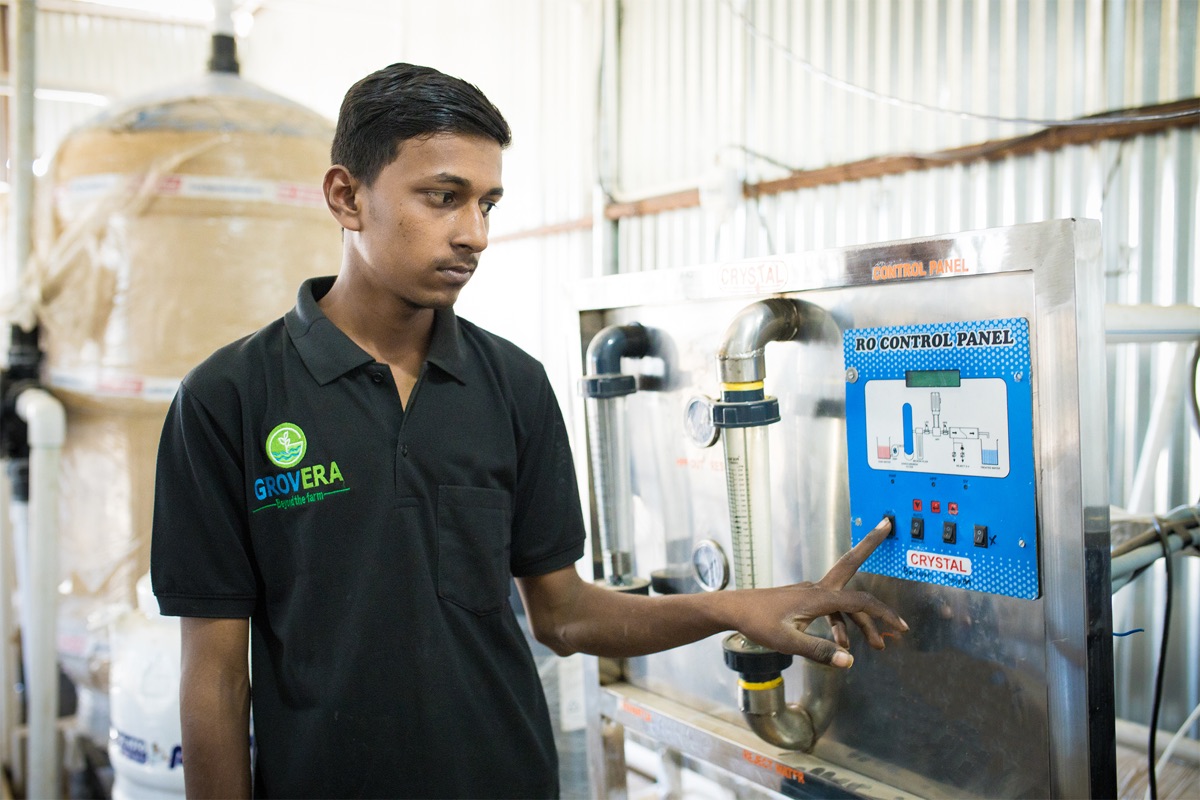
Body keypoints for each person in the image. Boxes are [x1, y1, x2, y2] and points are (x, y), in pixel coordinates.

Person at [150, 62, 906, 800]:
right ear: (347, 197)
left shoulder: (511, 385)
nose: (473, 234)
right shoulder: (229, 400)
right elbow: (215, 674)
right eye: (443, 197)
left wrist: (730, 609)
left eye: (488, 204)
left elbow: (566, 615)